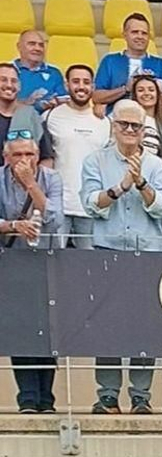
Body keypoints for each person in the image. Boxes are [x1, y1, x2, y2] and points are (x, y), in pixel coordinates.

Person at [82, 99, 162, 413]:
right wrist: (121, 188)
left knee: (143, 327)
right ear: (113, 125)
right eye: (124, 124)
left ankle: (141, 396)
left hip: (147, 254)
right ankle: (107, 394)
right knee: (107, 326)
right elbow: (90, 203)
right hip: (107, 251)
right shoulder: (95, 161)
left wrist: (141, 184)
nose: (130, 130)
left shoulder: (157, 165)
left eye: (136, 126)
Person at [2, 133, 64, 413]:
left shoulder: (51, 179)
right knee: (21, 328)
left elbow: (54, 218)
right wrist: (13, 226)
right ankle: (27, 397)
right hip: (12, 261)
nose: (24, 160)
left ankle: (46, 397)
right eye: (18, 155)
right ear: (6, 158)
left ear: (38, 157)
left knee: (48, 330)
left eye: (29, 155)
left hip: (45, 260)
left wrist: (30, 184)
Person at [42, 63, 108, 246]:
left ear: (93, 87)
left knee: (89, 267)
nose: (81, 86)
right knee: (54, 262)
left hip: (91, 207)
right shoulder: (50, 116)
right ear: (66, 85)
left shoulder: (105, 120)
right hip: (59, 206)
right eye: (76, 81)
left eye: (86, 82)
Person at [93, 13, 162, 112]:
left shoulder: (160, 64)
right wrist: (125, 89)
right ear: (125, 35)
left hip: (150, 121)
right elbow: (96, 97)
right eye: (135, 32)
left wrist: (152, 89)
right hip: (116, 120)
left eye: (144, 33)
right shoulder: (110, 61)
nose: (140, 36)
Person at [14, 30, 67, 111]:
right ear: (19, 46)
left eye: (41, 45)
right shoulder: (6, 71)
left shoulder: (54, 73)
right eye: (32, 44)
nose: (37, 48)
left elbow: (63, 102)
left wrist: (55, 102)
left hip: (47, 120)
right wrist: (29, 103)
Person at [130, 74, 162, 160]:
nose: (146, 93)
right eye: (140, 90)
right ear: (135, 95)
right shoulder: (128, 120)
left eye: (151, 90)